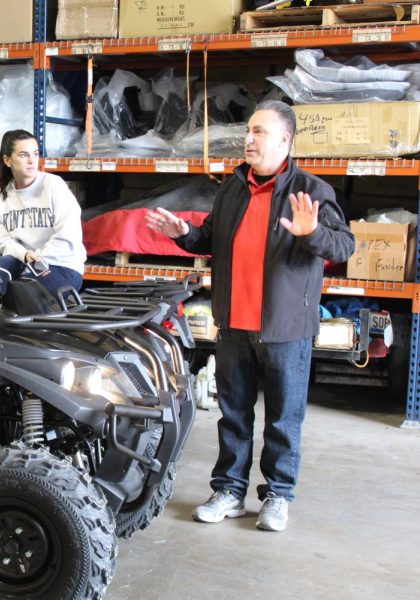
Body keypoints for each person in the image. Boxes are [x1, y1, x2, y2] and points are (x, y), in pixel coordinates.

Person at [145, 100, 354, 532]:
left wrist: (311, 233)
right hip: (234, 322)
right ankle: (230, 490)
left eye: (259, 131)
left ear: (284, 140)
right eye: (249, 131)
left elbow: (344, 247)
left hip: (285, 328)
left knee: (283, 417)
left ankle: (278, 495)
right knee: (233, 414)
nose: (249, 139)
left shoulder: (312, 192)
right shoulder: (234, 188)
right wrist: (185, 234)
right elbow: (211, 237)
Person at [0, 129, 87, 299]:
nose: (31, 161)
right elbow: (4, 241)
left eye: (35, 154)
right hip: (23, 261)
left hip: (61, 264)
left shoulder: (54, 186)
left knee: (22, 292)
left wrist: (38, 258)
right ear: (7, 160)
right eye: (23, 155)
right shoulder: (1, 198)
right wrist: (24, 255)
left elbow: (68, 235)